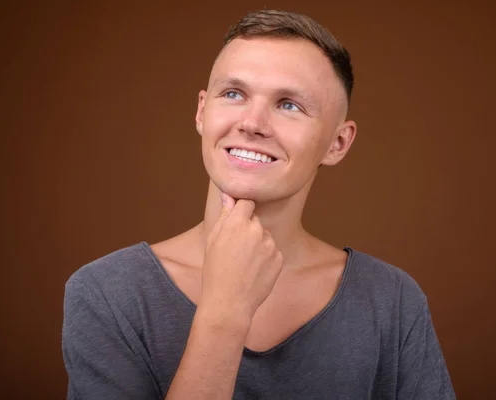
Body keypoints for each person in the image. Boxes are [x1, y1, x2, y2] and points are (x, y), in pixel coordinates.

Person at [62, 9, 456, 400]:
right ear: (202, 111)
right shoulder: (106, 294)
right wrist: (224, 313)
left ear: (338, 143)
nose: (252, 123)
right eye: (233, 94)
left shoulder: (392, 300)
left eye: (289, 105)